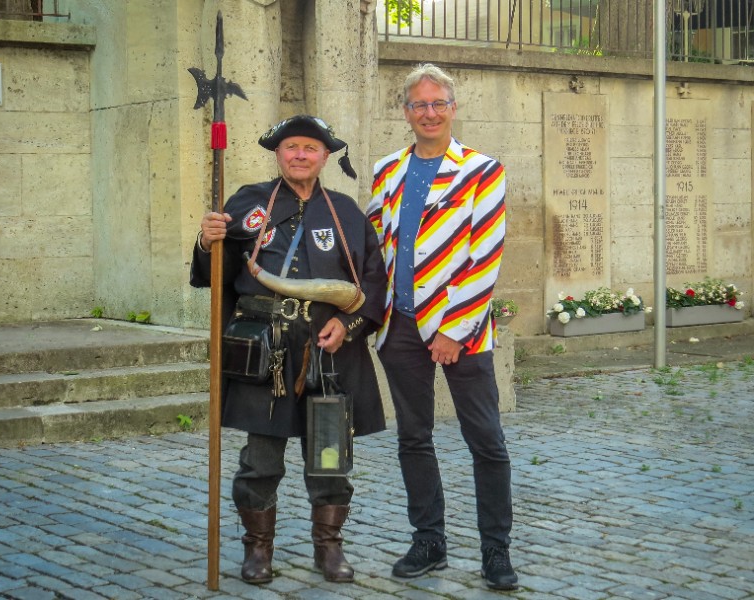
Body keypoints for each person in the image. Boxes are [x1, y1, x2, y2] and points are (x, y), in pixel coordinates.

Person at [190, 115, 387, 585]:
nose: (300, 154)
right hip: (267, 353)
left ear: (324, 157)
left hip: (329, 353)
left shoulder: (345, 213)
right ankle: (257, 550)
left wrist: (347, 323)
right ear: (278, 154)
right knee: (260, 459)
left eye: (310, 148)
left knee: (329, 457)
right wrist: (205, 240)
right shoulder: (248, 203)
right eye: (291, 147)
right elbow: (210, 272)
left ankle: (329, 548)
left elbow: (375, 283)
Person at [365, 63, 518, 590]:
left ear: (452, 108)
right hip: (400, 325)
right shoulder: (387, 170)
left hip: (463, 327)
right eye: (418, 104)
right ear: (405, 112)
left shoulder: (482, 170)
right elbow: (369, 241)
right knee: (414, 436)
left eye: (438, 103)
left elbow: (485, 257)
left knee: (487, 440)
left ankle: (496, 551)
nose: (429, 113)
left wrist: (453, 329)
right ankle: (428, 541)